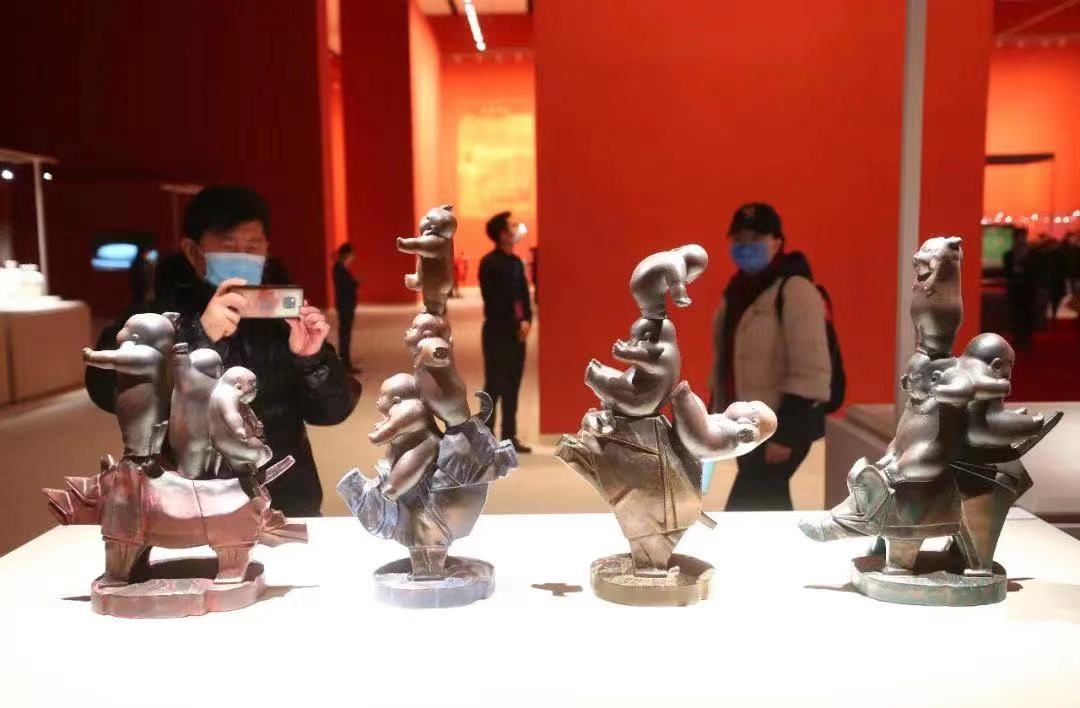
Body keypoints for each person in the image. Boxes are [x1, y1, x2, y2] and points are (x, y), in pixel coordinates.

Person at [86, 186, 362, 516]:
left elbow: (333, 411)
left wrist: (312, 359)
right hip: (191, 504)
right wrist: (198, 335)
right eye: (229, 246)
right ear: (193, 251)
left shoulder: (281, 316)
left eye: (253, 246)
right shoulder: (158, 312)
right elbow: (104, 388)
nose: (243, 256)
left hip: (284, 501)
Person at [710, 203, 832, 511]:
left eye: (755, 238)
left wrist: (785, 434)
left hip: (776, 426)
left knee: (749, 505)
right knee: (768, 504)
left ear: (777, 242)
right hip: (745, 422)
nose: (745, 246)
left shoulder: (796, 290)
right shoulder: (738, 291)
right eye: (739, 239)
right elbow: (726, 360)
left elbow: (811, 370)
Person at [479, 211, 533, 453]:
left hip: (516, 334)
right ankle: (484, 437)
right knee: (494, 385)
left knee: (513, 385)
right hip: (497, 332)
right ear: (502, 234)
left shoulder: (516, 263)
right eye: (511, 226)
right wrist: (516, 322)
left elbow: (522, 297)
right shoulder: (489, 264)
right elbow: (495, 301)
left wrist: (526, 320)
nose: (516, 229)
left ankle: (510, 435)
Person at [333, 243, 359, 371]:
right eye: (351, 254)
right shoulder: (339, 268)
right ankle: (345, 363)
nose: (352, 257)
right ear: (346, 254)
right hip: (345, 306)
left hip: (346, 305)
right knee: (345, 335)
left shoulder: (341, 268)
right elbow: (344, 287)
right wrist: (354, 283)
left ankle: (345, 361)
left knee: (345, 334)